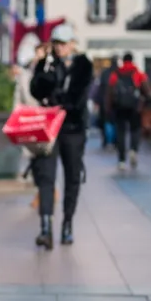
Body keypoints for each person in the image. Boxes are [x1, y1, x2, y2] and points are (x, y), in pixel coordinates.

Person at [30, 24, 93, 249]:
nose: (59, 48)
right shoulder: (49, 64)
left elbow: (77, 98)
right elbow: (36, 90)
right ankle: (45, 226)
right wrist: (40, 66)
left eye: (63, 44)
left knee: (72, 176)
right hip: (49, 129)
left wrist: (58, 102)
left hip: (72, 128)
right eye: (56, 43)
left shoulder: (83, 65)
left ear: (72, 44)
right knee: (46, 175)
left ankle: (67, 223)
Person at [107, 52, 149, 171]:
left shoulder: (116, 73)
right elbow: (146, 89)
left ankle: (121, 160)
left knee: (121, 132)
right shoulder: (137, 73)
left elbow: (109, 92)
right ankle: (133, 150)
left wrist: (109, 108)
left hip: (119, 107)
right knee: (135, 130)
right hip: (135, 107)